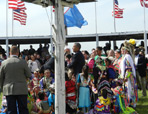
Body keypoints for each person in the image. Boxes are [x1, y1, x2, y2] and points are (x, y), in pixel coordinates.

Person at [0, 45, 31, 114]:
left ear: (10, 53)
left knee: (11, 110)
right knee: (23, 109)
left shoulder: (4, 63)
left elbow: (1, 77)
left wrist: (2, 88)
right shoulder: (23, 62)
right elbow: (29, 75)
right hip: (21, 89)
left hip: (9, 90)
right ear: (18, 52)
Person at [120, 43, 138, 108]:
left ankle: (131, 104)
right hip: (126, 76)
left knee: (130, 89)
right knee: (127, 90)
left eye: (123, 50)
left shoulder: (127, 56)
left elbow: (130, 67)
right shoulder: (124, 56)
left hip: (129, 76)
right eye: (121, 50)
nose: (121, 51)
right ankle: (128, 103)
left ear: (126, 50)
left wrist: (126, 76)